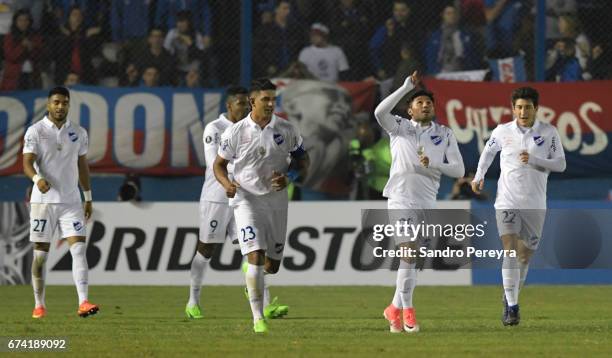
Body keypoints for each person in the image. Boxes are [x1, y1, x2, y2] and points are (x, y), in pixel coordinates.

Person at [213, 79, 310, 333]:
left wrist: (290, 178)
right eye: (265, 99)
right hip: (246, 200)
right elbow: (219, 166)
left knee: (272, 266)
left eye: (273, 99)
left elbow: (303, 160)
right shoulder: (235, 132)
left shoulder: (287, 129)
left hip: (276, 201)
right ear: (252, 102)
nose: (270, 104)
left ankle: (252, 281)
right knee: (255, 256)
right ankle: (258, 318)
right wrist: (226, 184)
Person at [374, 71, 465, 333]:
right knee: (409, 253)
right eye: (420, 103)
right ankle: (409, 312)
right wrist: (404, 87)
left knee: (413, 262)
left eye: (429, 103)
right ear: (410, 111)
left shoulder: (444, 133)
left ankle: (393, 309)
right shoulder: (400, 128)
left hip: (427, 201)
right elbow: (380, 112)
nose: (426, 105)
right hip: (400, 198)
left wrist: (434, 163)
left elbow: (458, 170)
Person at [471, 87, 566, 326]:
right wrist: (479, 175)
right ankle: (512, 308)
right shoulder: (503, 131)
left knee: (524, 257)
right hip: (507, 200)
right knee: (510, 250)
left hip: (534, 202)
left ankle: (509, 294)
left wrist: (534, 159)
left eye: (528, 107)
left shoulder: (548, 132)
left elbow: (561, 164)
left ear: (536, 108)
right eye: (519, 107)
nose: (523, 111)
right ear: (513, 108)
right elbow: (488, 152)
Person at [22, 86, 99, 319]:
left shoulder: (78, 132)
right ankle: (39, 304)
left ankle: (83, 302)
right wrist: (37, 178)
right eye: (56, 102)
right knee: (41, 256)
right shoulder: (35, 131)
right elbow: (26, 162)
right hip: (43, 203)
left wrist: (87, 196)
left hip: (71, 202)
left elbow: (82, 166)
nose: (60, 106)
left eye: (64, 102)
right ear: (48, 105)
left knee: (78, 249)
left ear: (68, 105)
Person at [0, 9, 42, 91]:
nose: (23, 23)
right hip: (14, 76)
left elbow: (39, 55)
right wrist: (22, 46)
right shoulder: (9, 37)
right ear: (15, 21)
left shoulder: (35, 36)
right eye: (20, 20)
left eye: (26, 20)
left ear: (30, 21)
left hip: (32, 75)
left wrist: (31, 47)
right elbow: (10, 56)